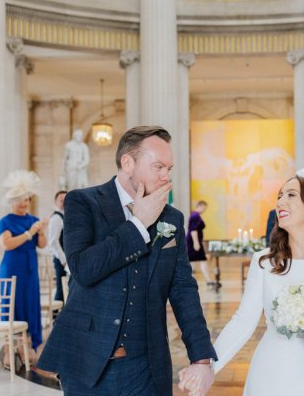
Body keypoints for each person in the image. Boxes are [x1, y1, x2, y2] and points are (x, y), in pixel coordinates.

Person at [38, 126, 216, 396]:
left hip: (147, 365)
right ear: (128, 163)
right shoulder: (83, 202)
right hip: (88, 363)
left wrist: (201, 359)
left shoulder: (172, 218)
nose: (166, 176)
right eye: (158, 167)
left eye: (169, 168)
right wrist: (138, 224)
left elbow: (183, 288)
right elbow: (83, 269)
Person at [186, 169, 304, 395]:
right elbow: (243, 322)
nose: (280, 201)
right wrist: (208, 367)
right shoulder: (264, 262)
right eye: (280, 196)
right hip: (273, 372)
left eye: (291, 195)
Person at [0, 170, 47, 364]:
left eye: (26, 199)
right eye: (20, 200)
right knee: (12, 306)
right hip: (11, 267)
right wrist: (29, 233)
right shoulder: (5, 221)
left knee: (31, 304)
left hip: (30, 267)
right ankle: (11, 347)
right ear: (12, 202)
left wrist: (40, 232)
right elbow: (6, 244)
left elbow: (41, 245)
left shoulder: (33, 220)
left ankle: (30, 345)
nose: (24, 203)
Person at [186, 200, 214, 287]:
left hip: (194, 241)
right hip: (194, 241)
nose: (204, 210)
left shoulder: (195, 215)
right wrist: (196, 243)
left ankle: (207, 281)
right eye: (204, 208)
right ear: (201, 206)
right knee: (201, 260)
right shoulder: (195, 215)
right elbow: (193, 230)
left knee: (193, 261)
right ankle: (208, 281)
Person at [49, 190, 68, 301]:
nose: (64, 202)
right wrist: (63, 260)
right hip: (61, 259)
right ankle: (55, 314)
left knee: (65, 288)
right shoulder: (56, 218)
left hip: (65, 258)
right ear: (56, 202)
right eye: (61, 200)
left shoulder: (64, 216)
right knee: (61, 288)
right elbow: (53, 242)